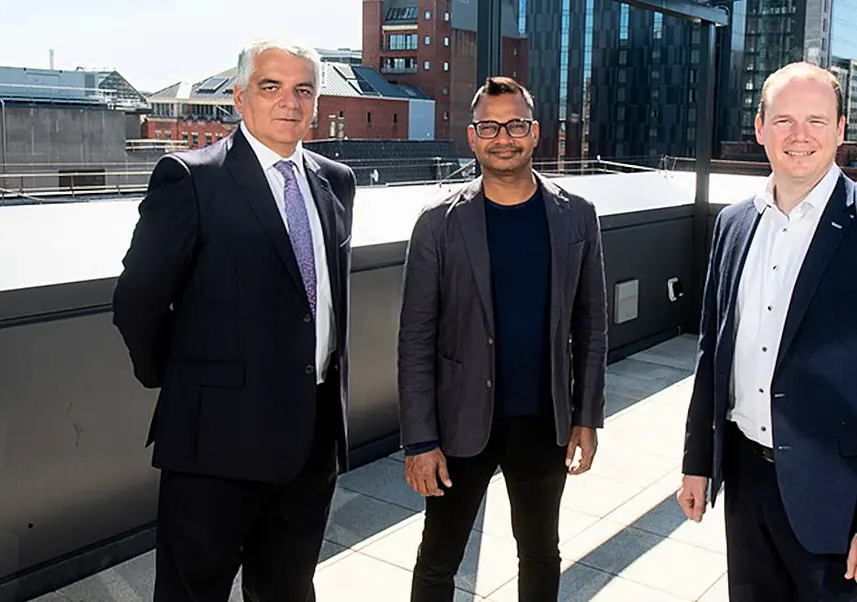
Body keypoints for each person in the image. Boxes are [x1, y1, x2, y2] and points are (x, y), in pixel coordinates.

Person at [677, 61, 857, 601]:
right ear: (760, 128)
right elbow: (714, 356)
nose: (800, 136)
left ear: (842, 130)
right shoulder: (732, 224)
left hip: (837, 504)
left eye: (817, 121)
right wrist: (698, 463)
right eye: (784, 121)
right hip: (747, 484)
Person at [112, 38, 356, 602]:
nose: (288, 103)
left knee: (288, 590)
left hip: (310, 440)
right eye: (271, 87)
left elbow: (316, 302)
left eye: (303, 90)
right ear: (240, 98)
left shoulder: (335, 182)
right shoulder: (192, 178)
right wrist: (180, 380)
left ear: (317, 103)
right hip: (214, 442)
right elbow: (137, 300)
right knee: (194, 592)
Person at [396, 76, 608, 602]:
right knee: (439, 559)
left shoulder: (576, 216)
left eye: (515, 125)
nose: (503, 137)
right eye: (489, 127)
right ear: (472, 137)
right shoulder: (438, 224)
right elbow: (415, 339)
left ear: (534, 133)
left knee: (539, 552)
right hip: (458, 424)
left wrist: (586, 416)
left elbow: (592, 327)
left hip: (543, 422)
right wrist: (420, 441)